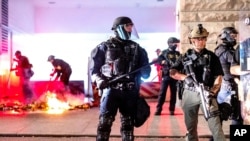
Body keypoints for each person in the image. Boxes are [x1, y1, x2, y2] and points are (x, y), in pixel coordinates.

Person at [89, 16, 151, 141]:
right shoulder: (104, 47)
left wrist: (145, 68)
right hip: (111, 90)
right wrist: (99, 80)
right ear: (119, 28)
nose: (130, 29)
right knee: (104, 125)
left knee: (128, 126)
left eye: (131, 26)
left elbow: (146, 73)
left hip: (130, 91)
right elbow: (94, 69)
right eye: (128, 26)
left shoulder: (137, 49)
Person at [169, 24, 226, 141]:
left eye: (203, 38)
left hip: (207, 93)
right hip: (189, 93)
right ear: (192, 40)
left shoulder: (212, 57)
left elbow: (219, 76)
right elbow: (172, 72)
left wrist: (213, 91)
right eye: (197, 39)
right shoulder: (185, 56)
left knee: (216, 127)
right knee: (191, 128)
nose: (200, 41)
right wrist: (185, 77)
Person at [214, 27, 243, 125]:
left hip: (223, 84)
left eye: (235, 36)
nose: (235, 38)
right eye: (232, 36)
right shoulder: (228, 52)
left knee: (220, 115)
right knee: (237, 115)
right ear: (226, 36)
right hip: (230, 86)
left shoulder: (219, 48)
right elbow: (237, 66)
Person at [154, 37, 181, 116]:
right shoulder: (164, 52)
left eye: (176, 43)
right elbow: (158, 60)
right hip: (166, 75)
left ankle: (171, 110)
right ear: (170, 43)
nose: (176, 45)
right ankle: (158, 109)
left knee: (173, 94)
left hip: (175, 76)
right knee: (162, 93)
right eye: (174, 43)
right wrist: (162, 61)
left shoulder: (178, 54)